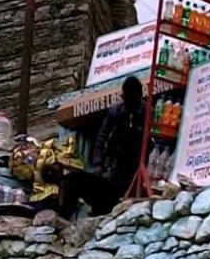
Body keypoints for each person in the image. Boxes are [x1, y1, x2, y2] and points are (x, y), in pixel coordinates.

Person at [59, 76, 145, 218]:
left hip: (133, 171)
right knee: (73, 181)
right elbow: (102, 138)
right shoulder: (116, 112)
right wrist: (99, 163)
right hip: (111, 169)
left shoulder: (145, 113)